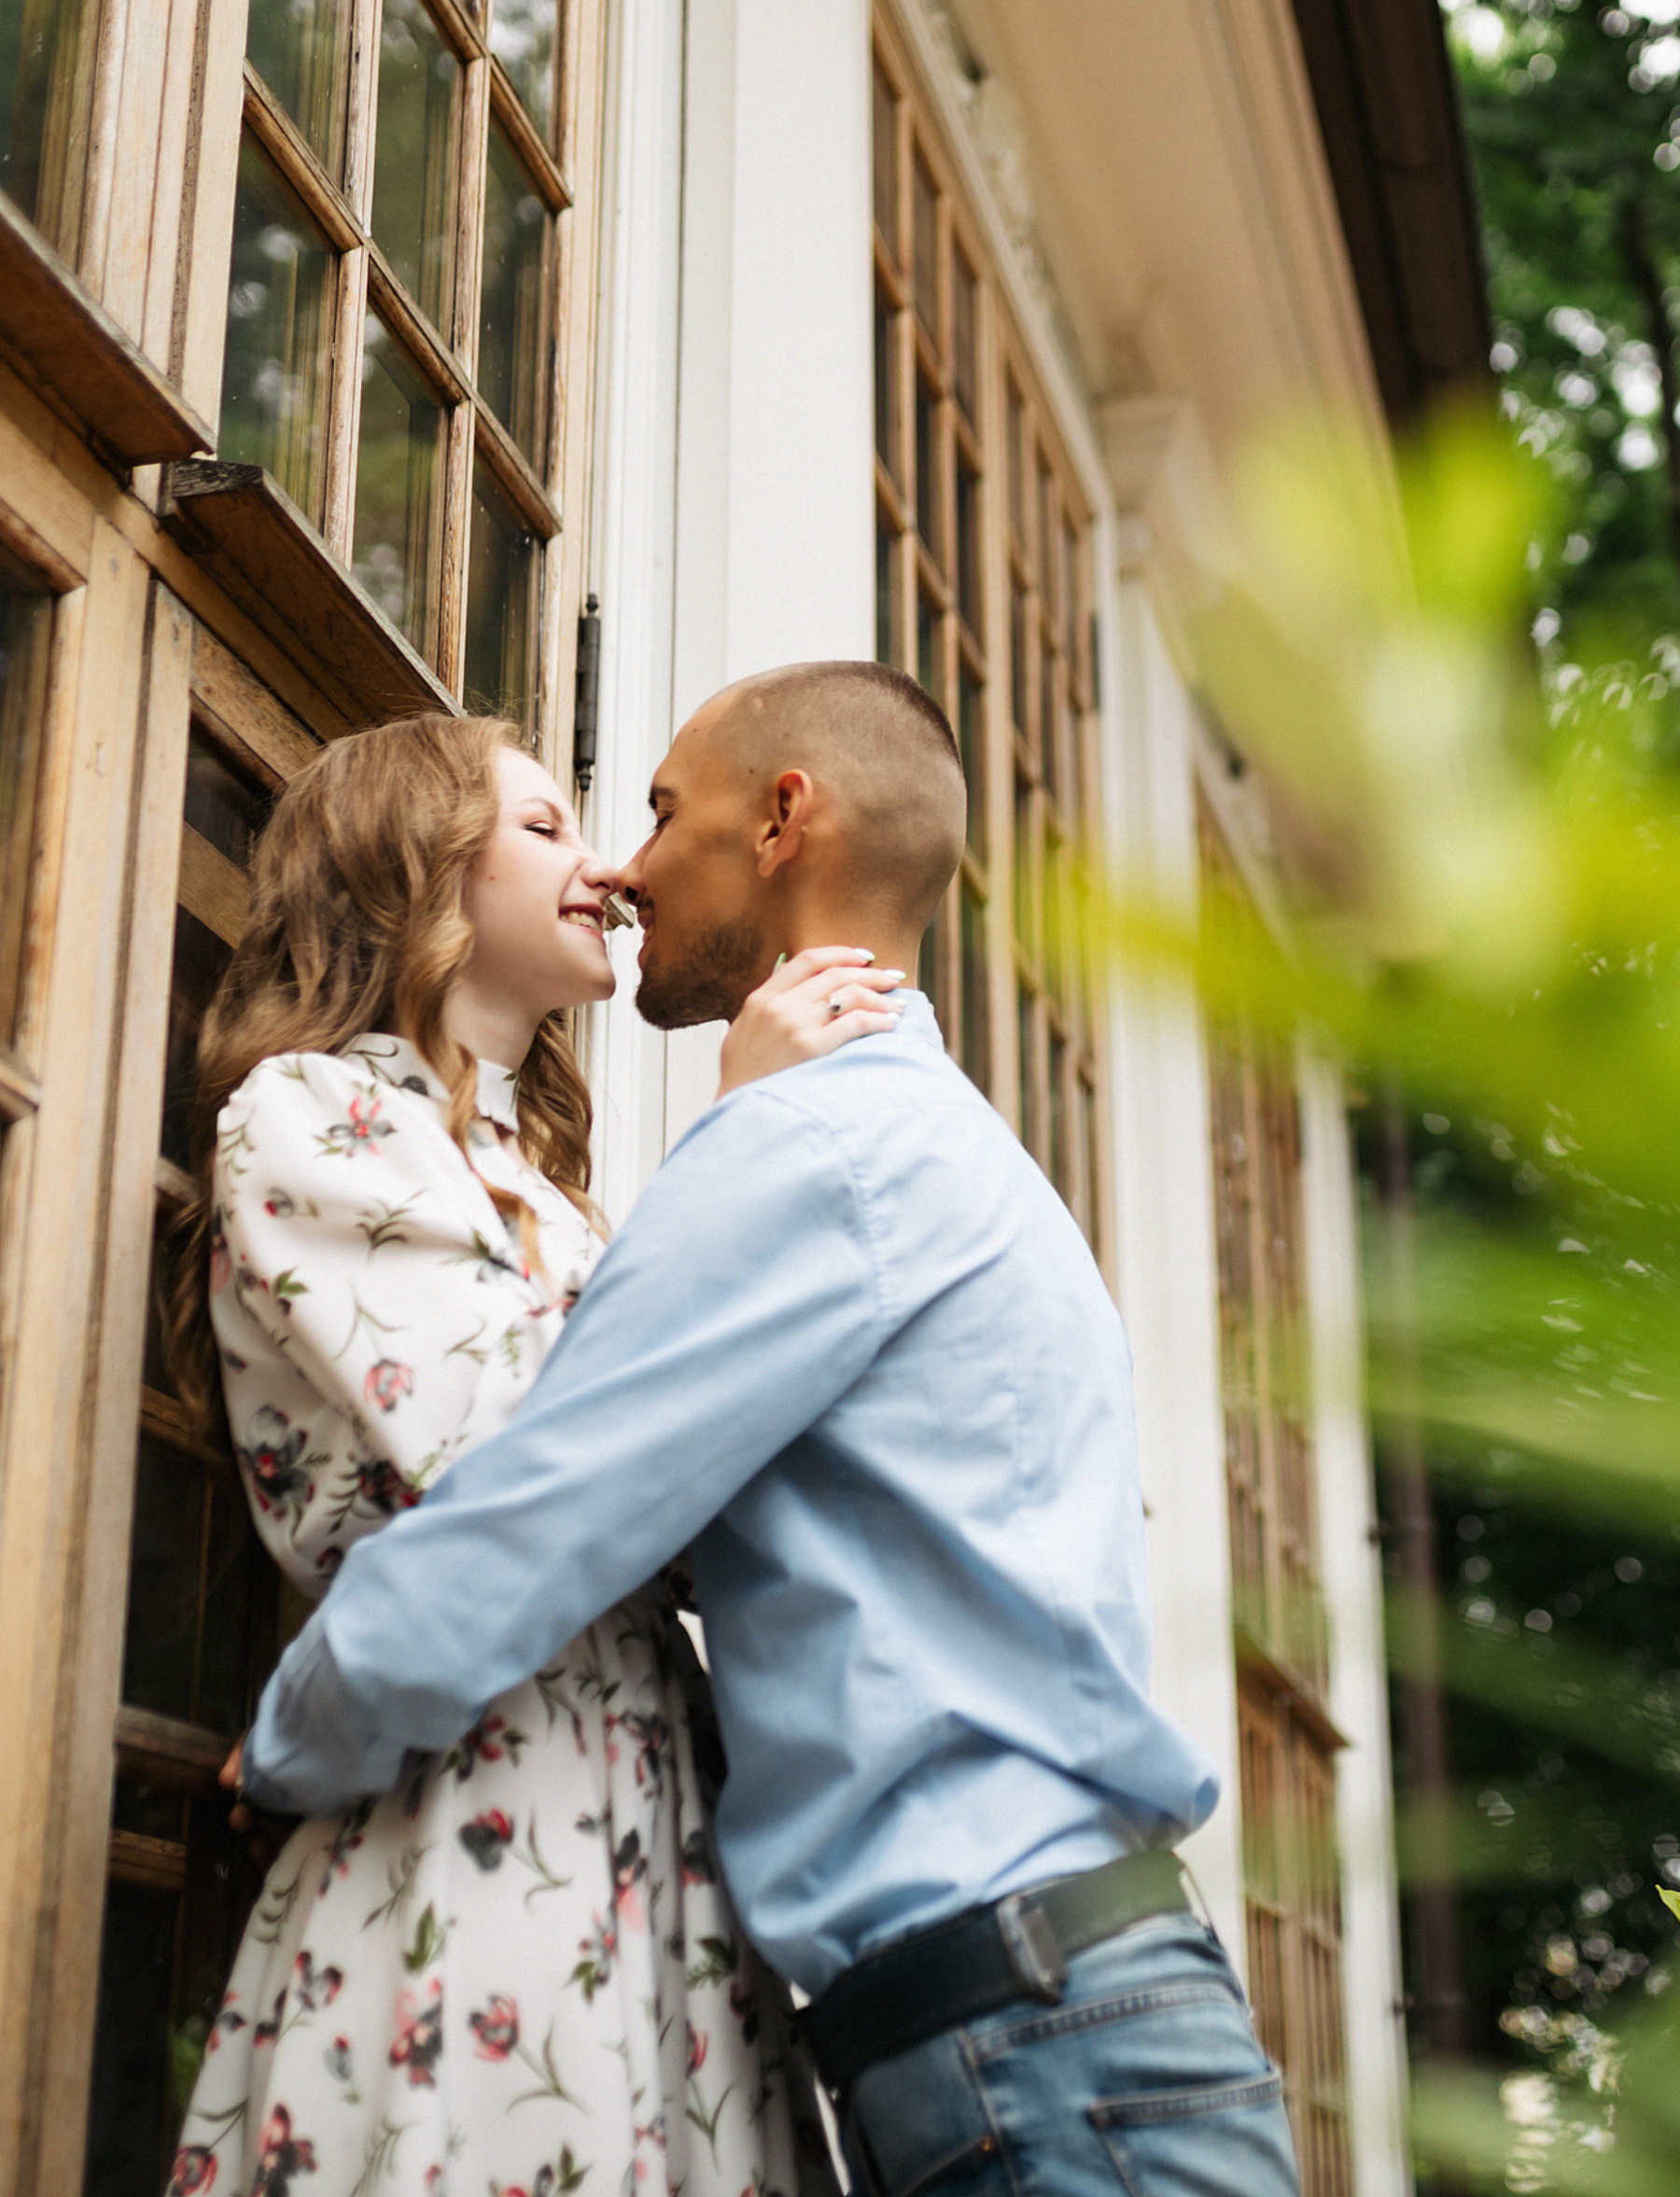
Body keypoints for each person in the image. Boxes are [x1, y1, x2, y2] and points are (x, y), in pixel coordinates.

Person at [231, 661, 1301, 2197]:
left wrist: (283, 1744)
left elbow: (535, 1519)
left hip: (1040, 2044)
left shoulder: (813, 1149)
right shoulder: (916, 1138)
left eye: (662, 812)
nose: (627, 863)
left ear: (782, 818)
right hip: (1052, 2026)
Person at [164, 713, 896, 2197]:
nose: (615, 870)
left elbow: (697, 1500)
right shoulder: (310, 1115)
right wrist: (744, 1147)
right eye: (549, 828)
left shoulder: (555, 1193)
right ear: (415, 868)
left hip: (660, 1800)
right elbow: (522, 1451)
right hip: (472, 1778)